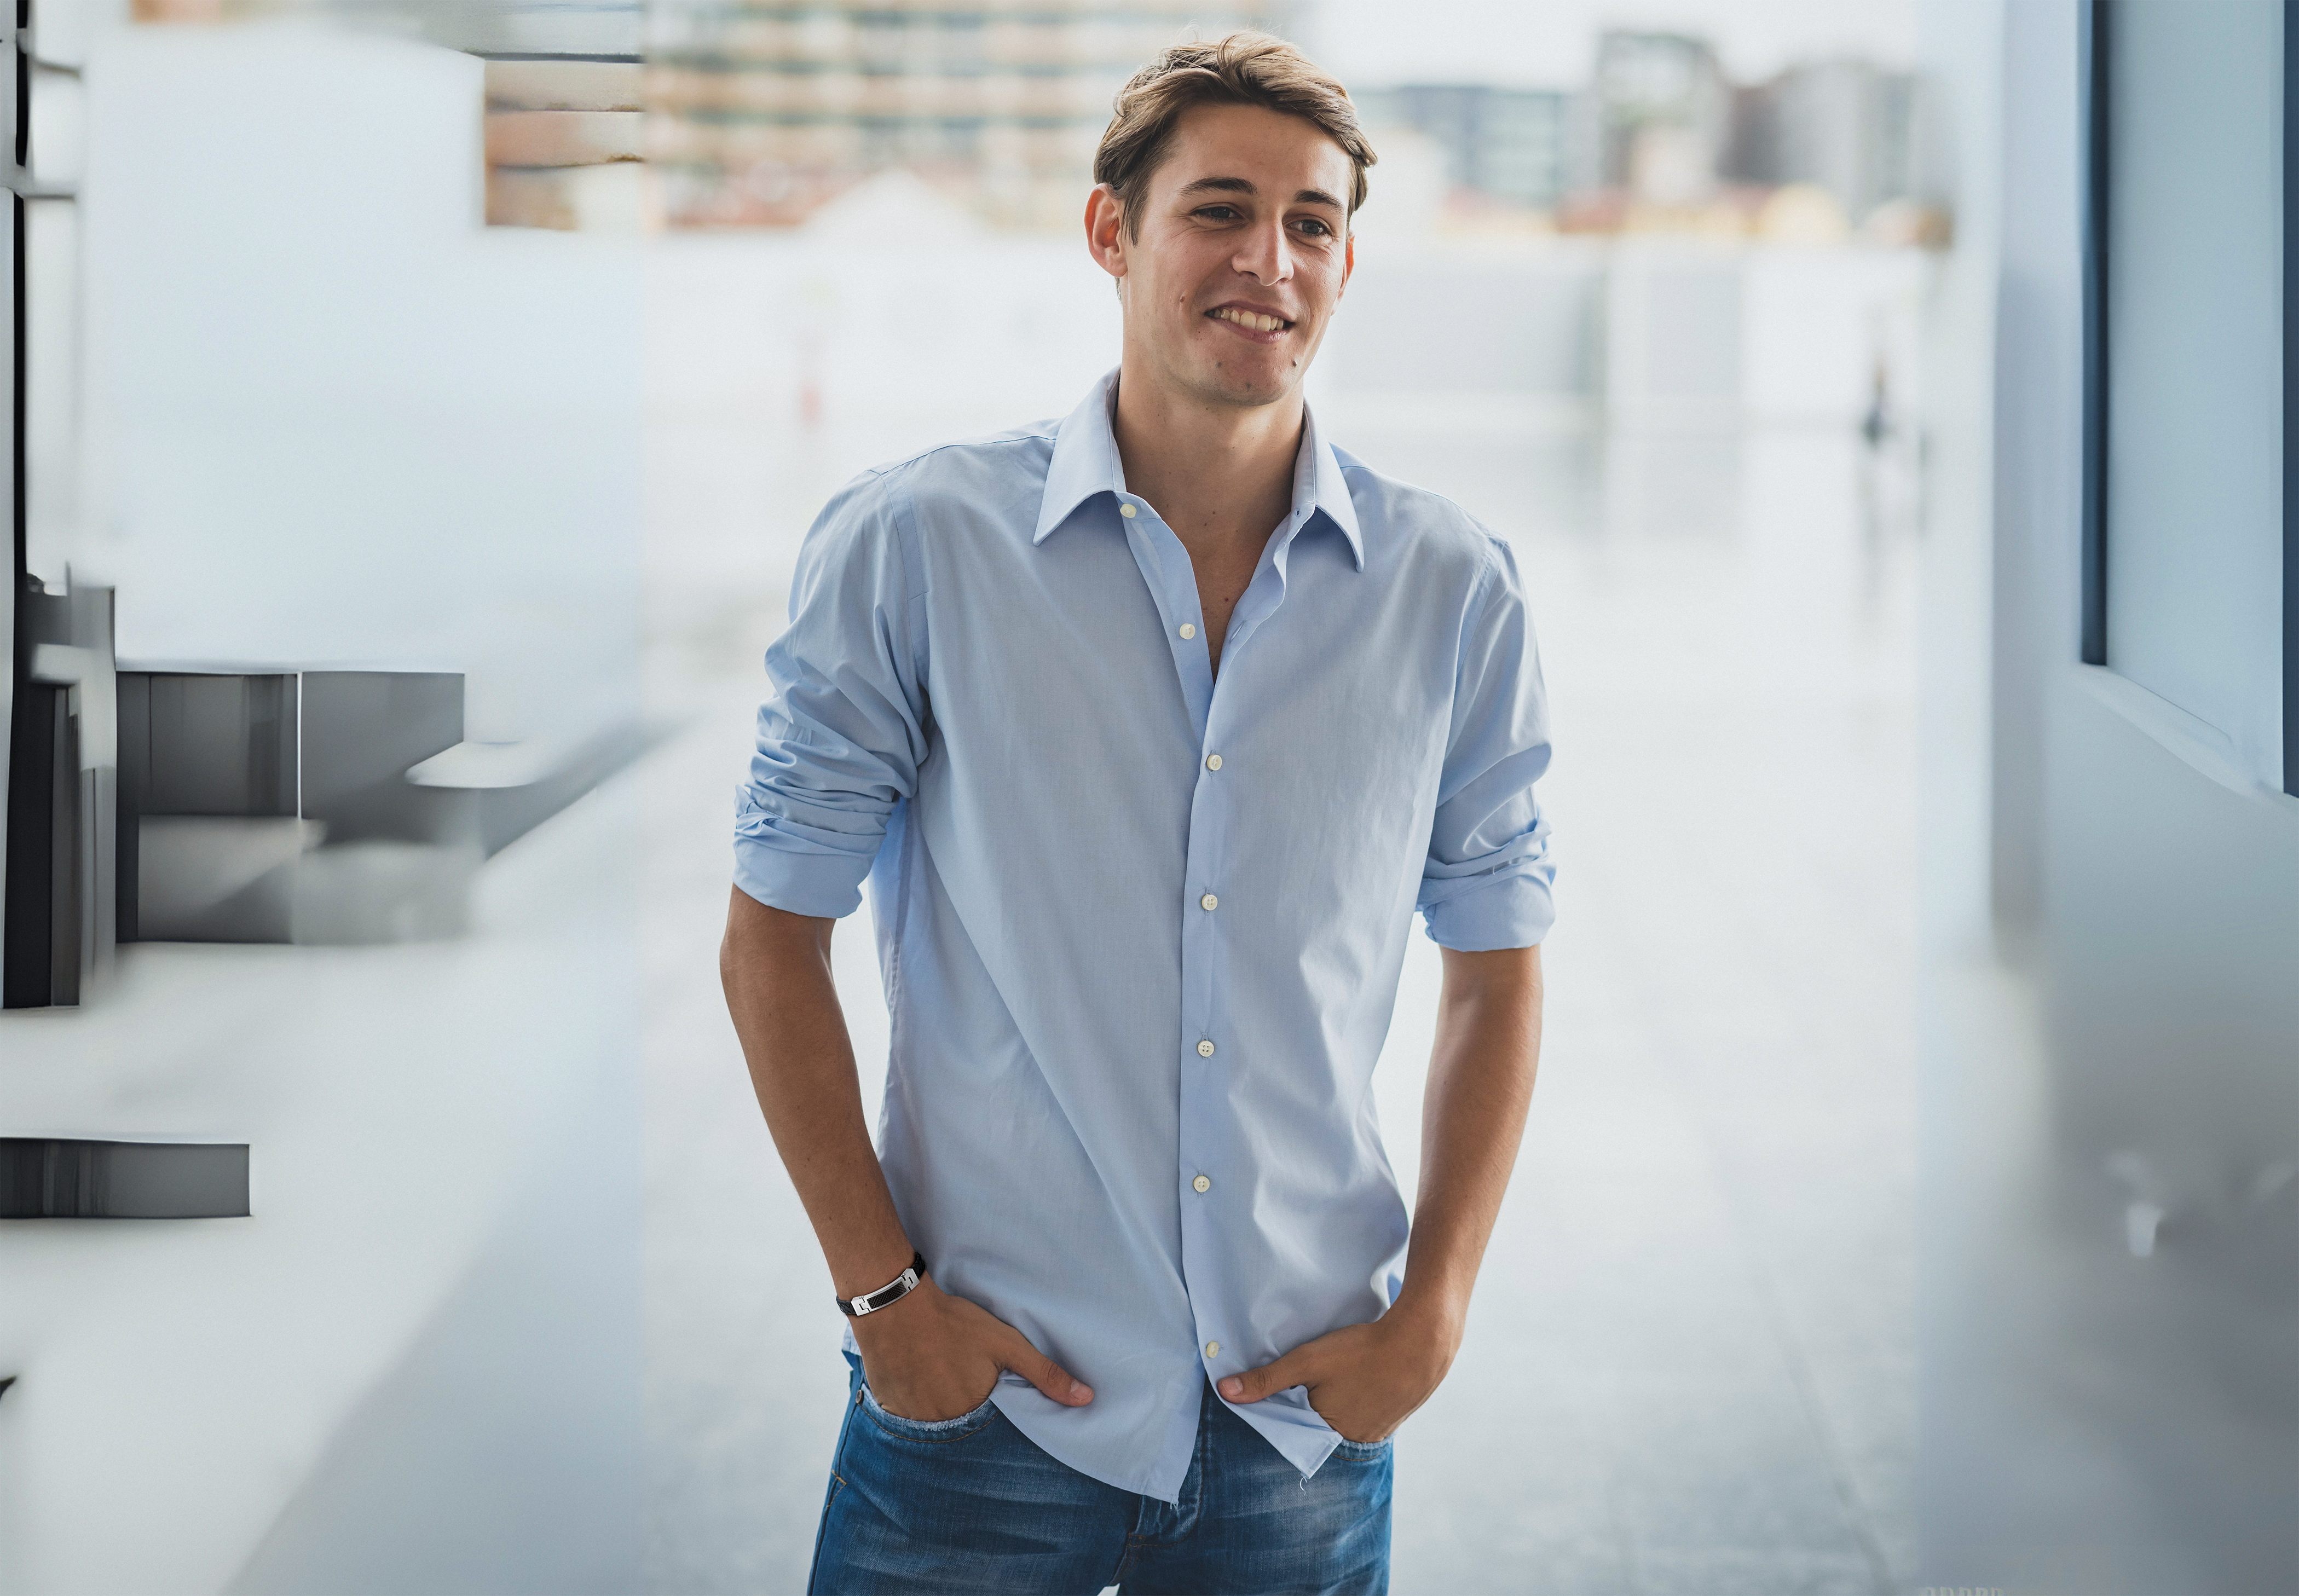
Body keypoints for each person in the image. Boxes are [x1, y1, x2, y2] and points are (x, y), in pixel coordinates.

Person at [720, 31, 1553, 1595]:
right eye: (1219, 210)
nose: (1270, 260)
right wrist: (883, 1299)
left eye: (1311, 223)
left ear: (1348, 261)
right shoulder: (919, 545)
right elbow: (771, 935)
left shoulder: (1451, 589)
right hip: (987, 1404)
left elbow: (1497, 969)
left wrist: (1432, 1310)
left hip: (1302, 1410)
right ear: (1113, 232)